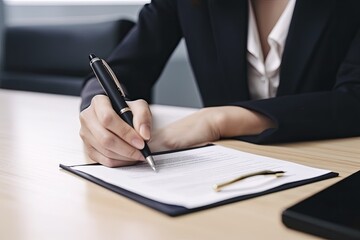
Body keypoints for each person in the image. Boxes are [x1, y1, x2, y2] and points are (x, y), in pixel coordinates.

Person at [79, 0, 360, 167]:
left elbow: (353, 99)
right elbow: (121, 69)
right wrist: (100, 108)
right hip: (226, 176)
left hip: (331, 172)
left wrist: (218, 120)